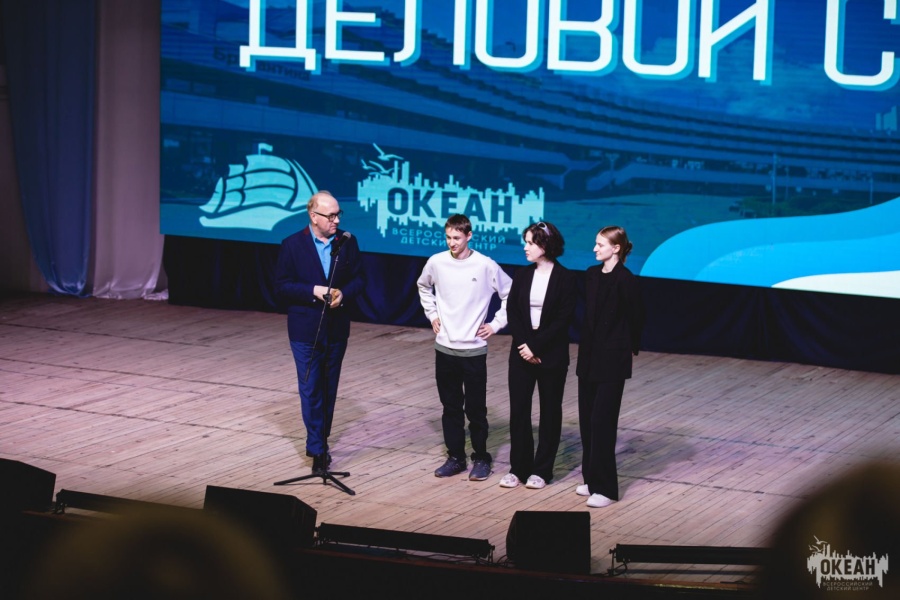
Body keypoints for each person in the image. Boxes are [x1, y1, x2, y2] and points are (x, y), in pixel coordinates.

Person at [417, 214, 512, 481]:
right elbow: (423, 286)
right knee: (450, 407)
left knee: (476, 409)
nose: (452, 243)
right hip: (445, 349)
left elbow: (510, 293)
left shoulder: (485, 265)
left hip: (473, 350)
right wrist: (432, 315)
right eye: (448, 237)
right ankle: (456, 457)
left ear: (469, 236)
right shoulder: (436, 262)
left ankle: (481, 457)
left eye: (457, 238)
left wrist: (496, 324)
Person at [275, 191, 364, 473]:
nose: (336, 220)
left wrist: (343, 294)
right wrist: (313, 290)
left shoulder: (347, 242)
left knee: (328, 388)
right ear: (314, 217)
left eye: (338, 214)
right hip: (305, 329)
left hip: (336, 328)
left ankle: (320, 441)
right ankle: (317, 449)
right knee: (311, 388)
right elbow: (282, 286)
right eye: (331, 215)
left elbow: (359, 279)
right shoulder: (292, 245)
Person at [499, 221, 575, 490]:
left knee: (550, 412)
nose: (525, 247)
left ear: (545, 245)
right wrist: (524, 345)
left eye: (530, 242)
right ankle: (518, 468)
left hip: (551, 353)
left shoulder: (566, 278)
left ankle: (542, 470)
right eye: (526, 242)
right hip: (522, 352)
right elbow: (513, 312)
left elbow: (563, 319)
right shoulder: (522, 274)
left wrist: (536, 347)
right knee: (519, 410)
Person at [576, 225, 645, 508]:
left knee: (602, 423)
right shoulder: (592, 275)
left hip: (612, 361)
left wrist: (626, 347)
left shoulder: (626, 280)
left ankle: (606, 488)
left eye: (600, 244)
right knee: (587, 421)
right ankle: (592, 479)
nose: (595, 248)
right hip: (588, 358)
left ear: (616, 248)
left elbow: (636, 317)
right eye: (595, 243)